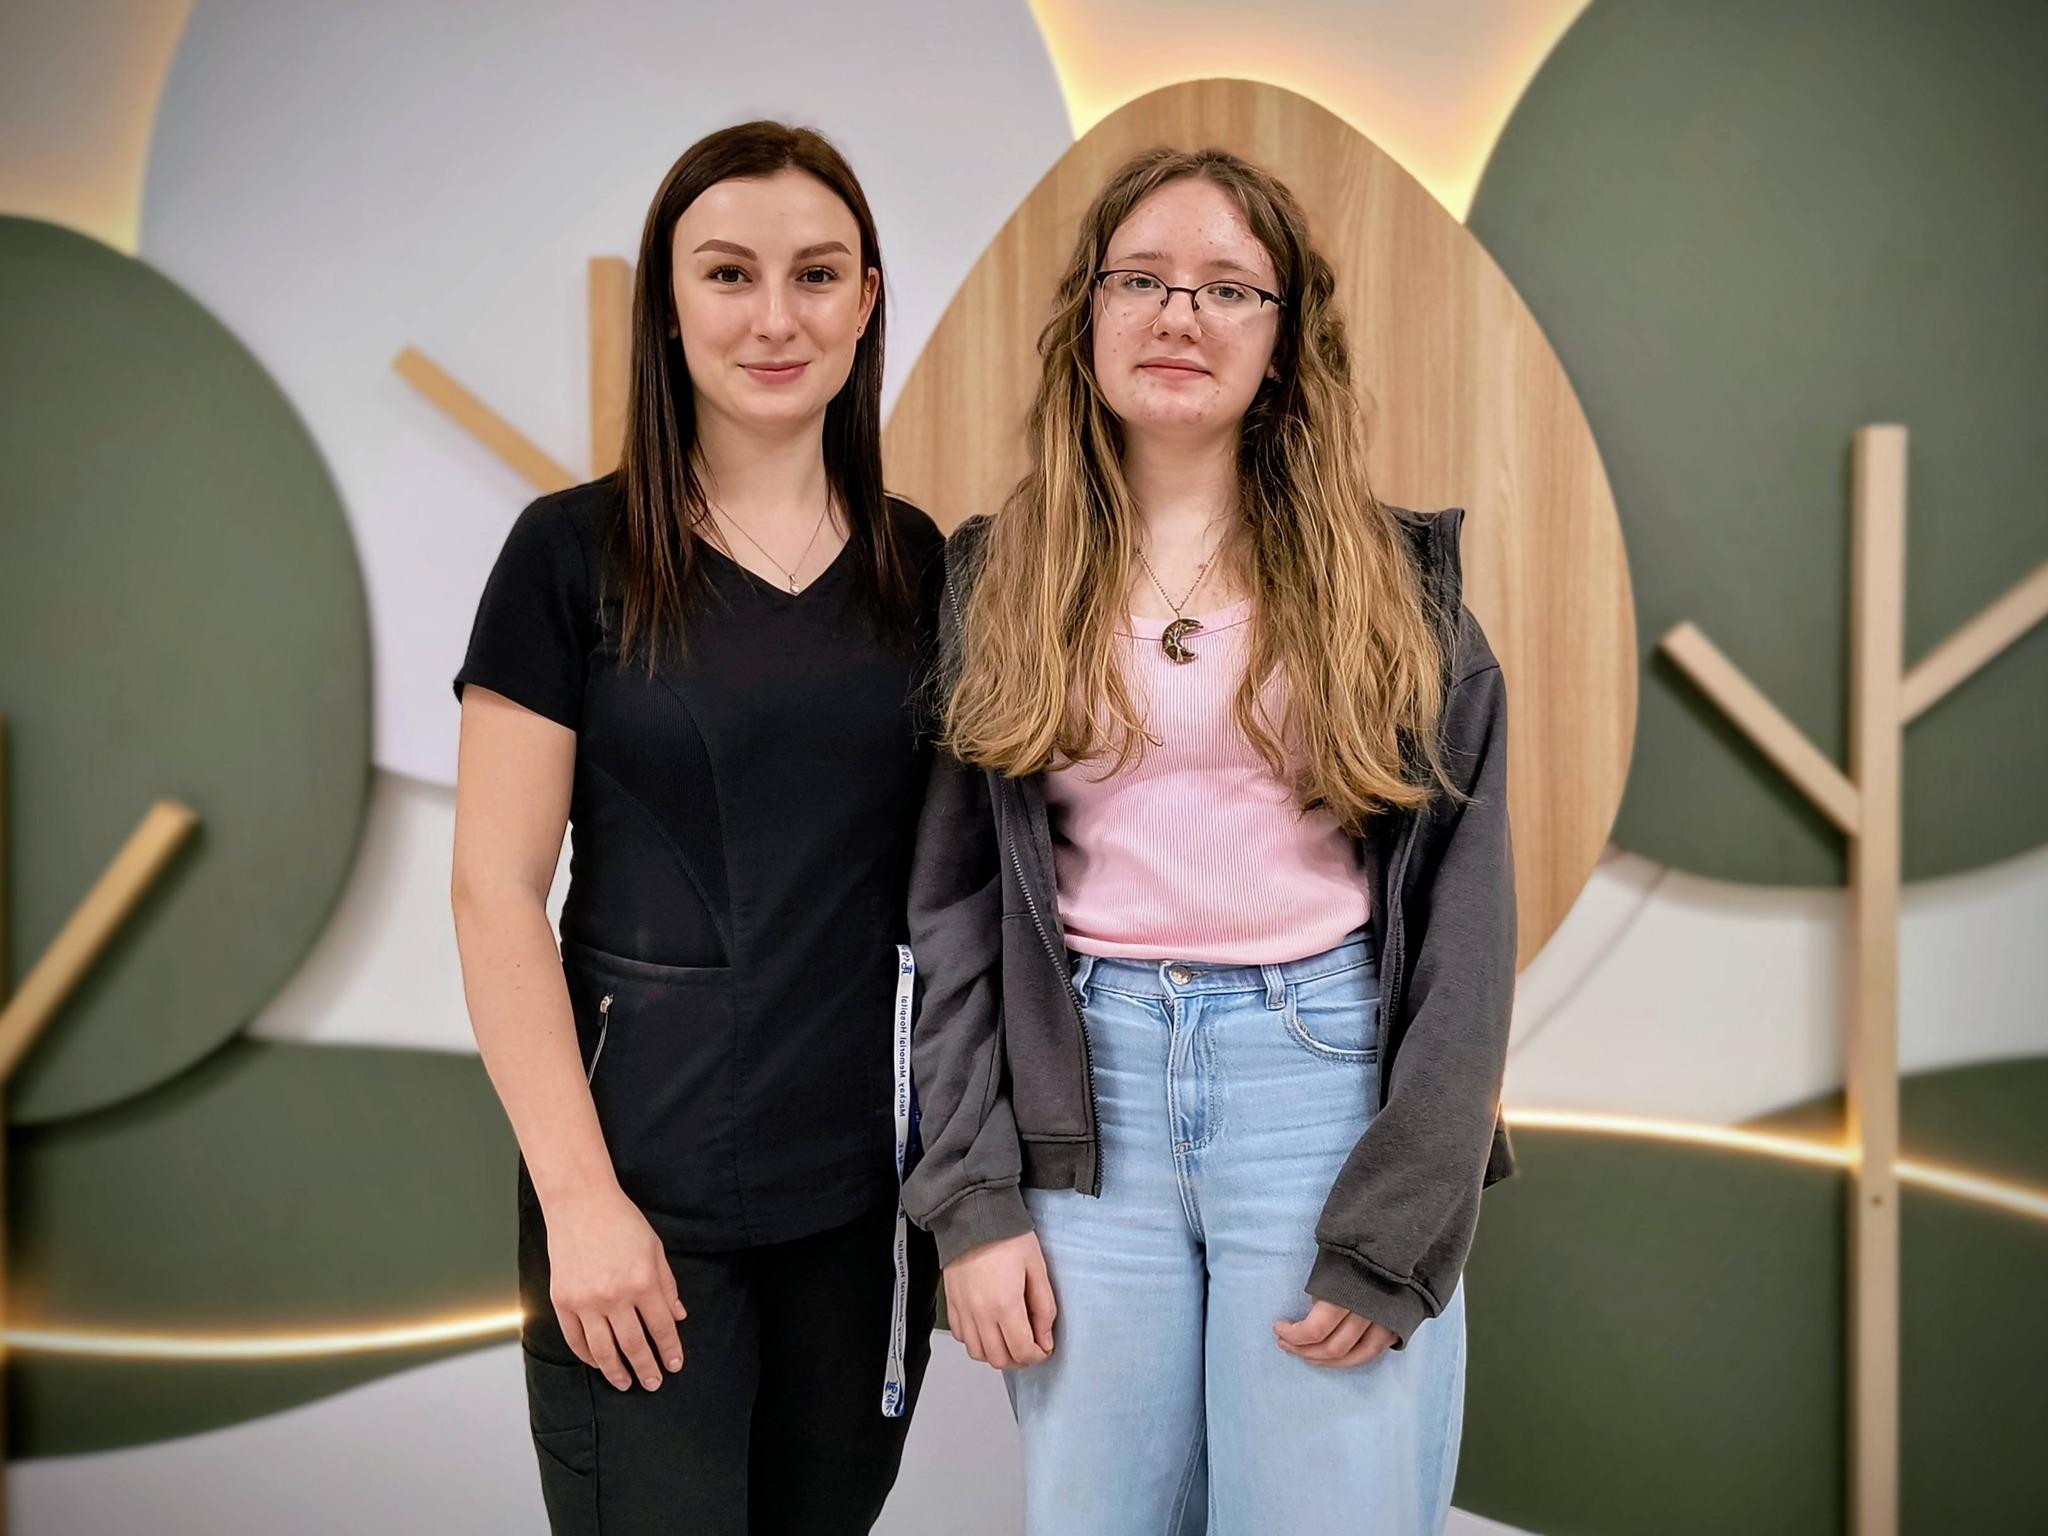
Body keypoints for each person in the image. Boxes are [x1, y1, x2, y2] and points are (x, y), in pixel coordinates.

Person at [904, 146, 1518, 1534]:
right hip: (1084, 1107)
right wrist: (972, 1200)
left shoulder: (1397, 590)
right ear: (1090, 317)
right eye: (1143, 280)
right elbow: (950, 917)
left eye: (1229, 288)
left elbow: (1469, 931)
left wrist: (1399, 1230)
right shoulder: (997, 578)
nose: (1180, 315)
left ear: (1285, 340)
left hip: (1323, 1098)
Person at [450, 120, 941, 1536]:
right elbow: (493, 894)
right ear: (667, 308)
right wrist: (580, 1204)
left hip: (863, 1215)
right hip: (639, 1211)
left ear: (866, 301)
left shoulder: (923, 567)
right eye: (729, 274)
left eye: (816, 274)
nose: (776, 317)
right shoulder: (568, 555)